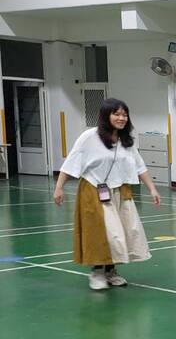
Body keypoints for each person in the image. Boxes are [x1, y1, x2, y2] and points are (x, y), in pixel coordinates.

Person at [54, 98, 161, 290]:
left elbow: (139, 166)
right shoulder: (89, 137)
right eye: (116, 114)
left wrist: (152, 188)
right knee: (103, 232)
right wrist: (59, 187)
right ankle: (97, 271)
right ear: (106, 115)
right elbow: (71, 162)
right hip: (94, 190)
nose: (121, 118)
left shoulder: (126, 140)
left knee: (123, 232)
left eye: (124, 114)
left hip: (120, 190)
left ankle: (111, 271)